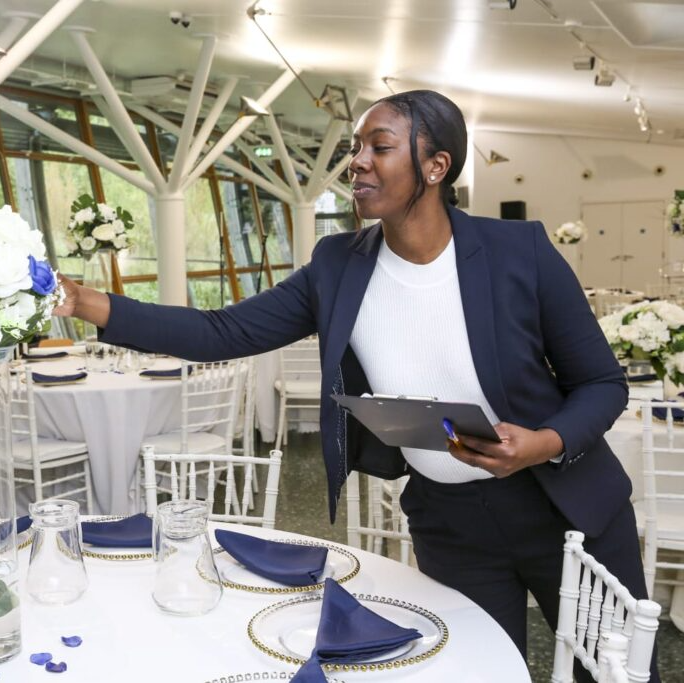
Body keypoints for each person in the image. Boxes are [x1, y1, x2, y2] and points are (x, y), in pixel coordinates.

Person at [53, 89, 655, 680]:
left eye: (380, 146)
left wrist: (543, 442)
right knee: (472, 673)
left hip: (562, 508)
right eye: (355, 146)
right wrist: (87, 302)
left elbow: (602, 383)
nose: (358, 161)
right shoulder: (338, 264)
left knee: (614, 675)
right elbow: (222, 331)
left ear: (436, 166)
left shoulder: (518, 251)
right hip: (451, 522)